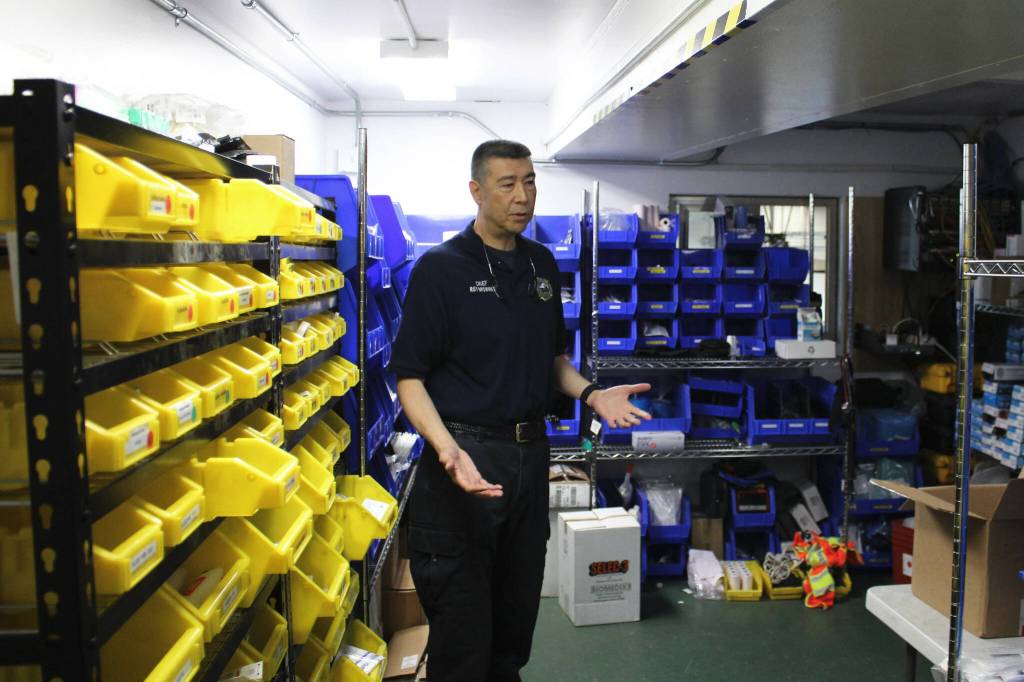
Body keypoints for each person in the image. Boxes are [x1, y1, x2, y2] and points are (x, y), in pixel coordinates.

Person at [389, 139, 650, 681]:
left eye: (530, 181)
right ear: (476, 191)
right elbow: (408, 378)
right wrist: (449, 451)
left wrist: (592, 394)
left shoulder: (541, 266)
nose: (523, 195)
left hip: (529, 460)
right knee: (463, 641)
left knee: (512, 635)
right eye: (507, 184)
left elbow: (554, 360)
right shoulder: (440, 269)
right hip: (463, 463)